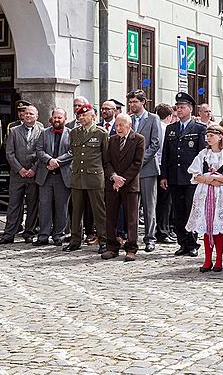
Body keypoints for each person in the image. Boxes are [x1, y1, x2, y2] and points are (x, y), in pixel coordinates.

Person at [184, 124, 223, 273]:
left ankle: (219, 259)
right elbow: (195, 174)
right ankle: (207, 259)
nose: (208, 138)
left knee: (219, 226)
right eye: (207, 136)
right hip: (205, 191)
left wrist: (218, 179)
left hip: (221, 193)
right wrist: (208, 180)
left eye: (211, 135)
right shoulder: (203, 154)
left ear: (220, 137)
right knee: (207, 225)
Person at [159, 92, 206, 258]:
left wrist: (201, 176)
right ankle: (182, 242)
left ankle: (193, 243)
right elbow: (166, 154)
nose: (179, 110)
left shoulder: (199, 128)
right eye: (177, 107)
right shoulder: (171, 129)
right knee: (178, 212)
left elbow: (202, 155)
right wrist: (164, 175)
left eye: (182, 107)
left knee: (190, 211)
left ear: (190, 109)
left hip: (191, 178)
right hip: (174, 176)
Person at [101, 113, 145, 261]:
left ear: (129, 125)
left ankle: (131, 248)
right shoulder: (111, 140)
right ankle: (112, 247)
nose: (118, 128)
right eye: (117, 125)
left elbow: (137, 163)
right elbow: (106, 162)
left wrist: (122, 180)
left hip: (129, 184)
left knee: (131, 217)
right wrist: (114, 177)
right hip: (112, 184)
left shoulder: (138, 139)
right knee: (111, 217)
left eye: (121, 125)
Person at [0, 104, 44, 244]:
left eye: (31, 114)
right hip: (17, 175)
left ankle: (29, 232)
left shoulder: (42, 131)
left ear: (37, 116)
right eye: (26, 113)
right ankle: (9, 234)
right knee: (14, 205)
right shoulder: (14, 131)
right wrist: (20, 169)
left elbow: (41, 152)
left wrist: (33, 169)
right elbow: (9, 153)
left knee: (32, 205)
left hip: (33, 174)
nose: (28, 116)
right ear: (22, 116)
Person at [66, 103, 108, 251]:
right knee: (76, 211)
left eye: (85, 115)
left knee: (99, 211)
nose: (81, 118)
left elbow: (106, 158)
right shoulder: (74, 133)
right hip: (78, 176)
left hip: (94, 177)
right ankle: (75, 240)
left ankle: (103, 240)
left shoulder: (101, 133)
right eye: (79, 115)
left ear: (93, 116)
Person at [127, 89, 163, 252]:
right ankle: (132, 238)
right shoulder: (129, 119)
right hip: (131, 171)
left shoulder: (153, 119)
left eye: (135, 101)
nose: (132, 104)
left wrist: (139, 161)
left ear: (143, 102)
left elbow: (155, 144)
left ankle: (150, 238)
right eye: (130, 102)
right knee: (133, 206)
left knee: (149, 206)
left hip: (147, 169)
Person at [34, 108, 73, 246]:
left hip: (63, 176)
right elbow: (39, 150)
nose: (57, 120)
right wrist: (50, 160)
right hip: (46, 176)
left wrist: (57, 162)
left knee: (62, 208)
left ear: (65, 118)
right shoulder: (44, 133)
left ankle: (59, 235)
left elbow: (72, 151)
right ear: (51, 118)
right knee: (44, 207)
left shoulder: (71, 133)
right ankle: (43, 235)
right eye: (55, 117)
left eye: (60, 118)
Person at [154, 102, 176, 244]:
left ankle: (163, 229)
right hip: (162, 167)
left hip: (155, 166)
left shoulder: (156, 127)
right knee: (164, 202)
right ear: (169, 116)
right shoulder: (165, 128)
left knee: (159, 202)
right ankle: (163, 230)